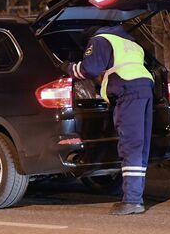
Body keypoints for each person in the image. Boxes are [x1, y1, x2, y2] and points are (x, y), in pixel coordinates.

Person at [62, 24, 154, 215]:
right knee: (140, 147)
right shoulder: (129, 42)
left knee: (130, 145)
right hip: (145, 89)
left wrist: (67, 67)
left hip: (128, 93)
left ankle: (132, 201)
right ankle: (136, 196)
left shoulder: (99, 40)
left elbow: (90, 69)